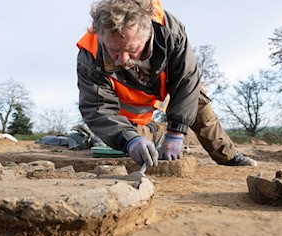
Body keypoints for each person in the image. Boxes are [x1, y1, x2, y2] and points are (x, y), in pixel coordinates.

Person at [76, 0, 257, 168]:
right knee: (133, 142)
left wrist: (177, 132)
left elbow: (187, 80)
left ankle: (229, 157)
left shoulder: (169, 31)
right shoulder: (90, 56)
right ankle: (152, 132)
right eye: (114, 50)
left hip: (162, 89)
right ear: (101, 36)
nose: (123, 59)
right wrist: (130, 140)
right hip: (126, 112)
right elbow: (98, 110)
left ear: (147, 35)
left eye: (132, 50)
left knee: (196, 96)